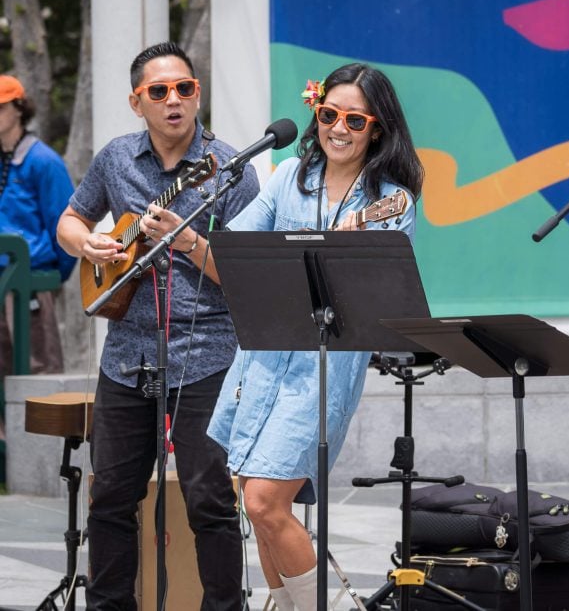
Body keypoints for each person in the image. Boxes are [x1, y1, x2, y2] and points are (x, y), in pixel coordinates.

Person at [205, 62, 422, 610]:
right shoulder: (286, 178)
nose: (339, 128)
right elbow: (234, 254)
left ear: (377, 128)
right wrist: (186, 243)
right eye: (330, 114)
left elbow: (368, 293)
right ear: (316, 114)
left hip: (321, 368)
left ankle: (329, 605)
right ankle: (287, 603)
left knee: (265, 500)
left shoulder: (391, 200)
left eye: (355, 118)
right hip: (262, 355)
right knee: (249, 494)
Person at [56, 41, 260, 610]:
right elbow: (70, 220)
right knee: (112, 499)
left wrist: (189, 239)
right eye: (159, 91)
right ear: (136, 102)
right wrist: (92, 246)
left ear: (197, 94)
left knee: (209, 499)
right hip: (127, 353)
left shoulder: (231, 173)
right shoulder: (116, 159)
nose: (175, 100)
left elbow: (245, 277)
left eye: (185, 88)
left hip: (208, 352)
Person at [0, 74, 76, 376]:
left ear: (19, 108)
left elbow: (66, 223)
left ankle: (36, 427)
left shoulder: (43, 160)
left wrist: (51, 279)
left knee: (37, 366)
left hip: (29, 280)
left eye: (1, 107)